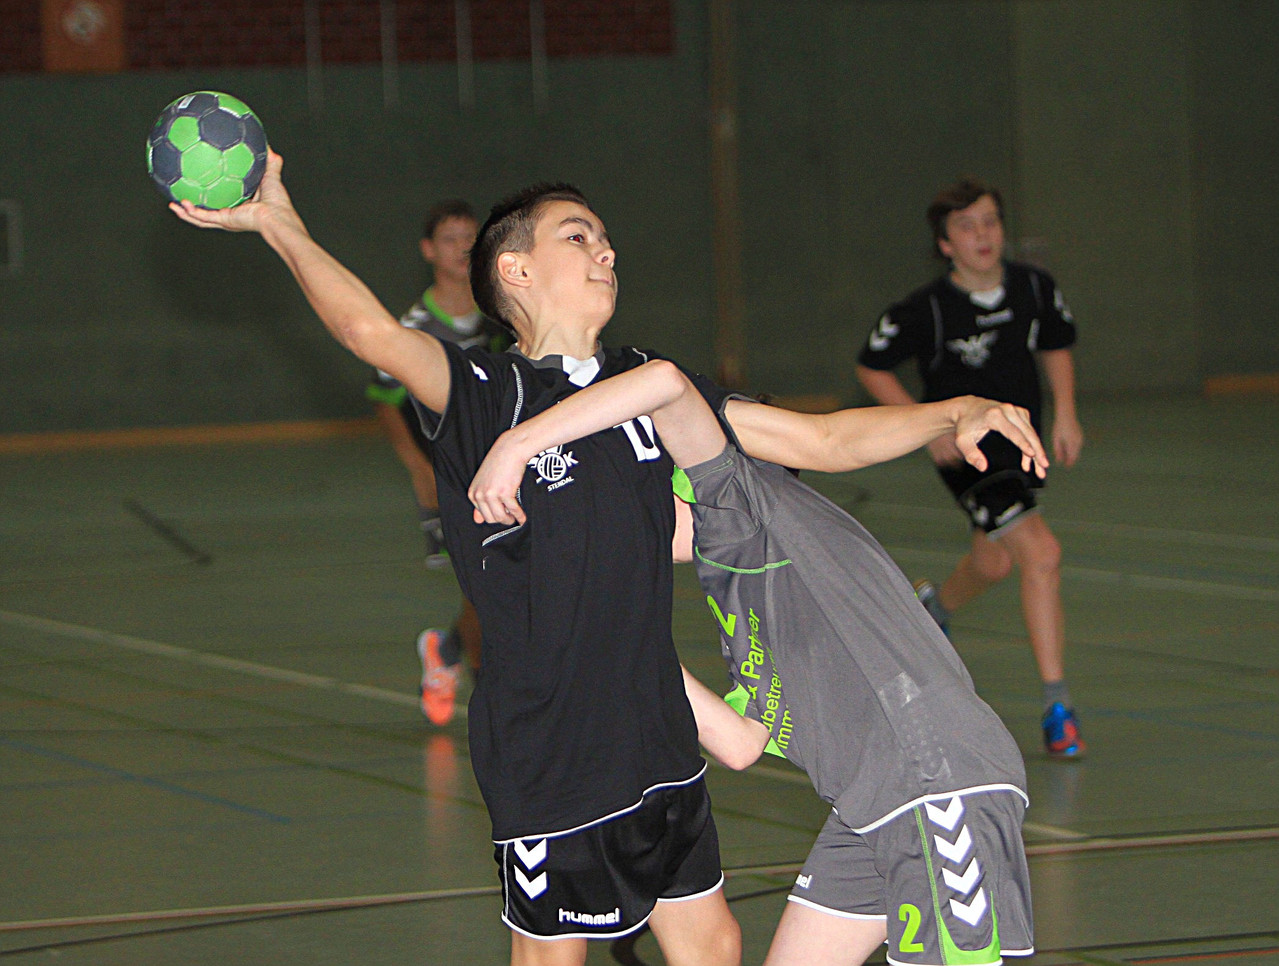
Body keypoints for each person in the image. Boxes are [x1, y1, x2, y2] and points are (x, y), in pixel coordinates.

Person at [170, 153, 1045, 966]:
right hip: (553, 748)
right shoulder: (486, 394)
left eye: (605, 238)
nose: (605, 250)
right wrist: (278, 221)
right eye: (576, 236)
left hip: (657, 736)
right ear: (514, 270)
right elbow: (366, 330)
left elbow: (821, 440)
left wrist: (953, 410)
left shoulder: (649, 383)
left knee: (714, 945)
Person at [467, 358, 1044, 966]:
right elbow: (741, 743)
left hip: (934, 782)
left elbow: (667, 386)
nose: (634, 515)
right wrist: (597, 629)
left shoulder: (740, 506)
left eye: (645, 492)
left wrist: (518, 443)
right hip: (868, 809)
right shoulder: (746, 592)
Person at [855, 177, 1086, 759]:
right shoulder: (926, 310)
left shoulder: (1033, 287)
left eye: (990, 222)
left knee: (996, 558)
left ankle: (935, 610)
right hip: (971, 455)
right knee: (1042, 553)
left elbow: (1055, 344)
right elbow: (872, 366)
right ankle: (1058, 709)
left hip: (1023, 442)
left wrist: (1066, 412)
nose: (982, 235)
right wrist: (924, 428)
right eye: (966, 226)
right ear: (945, 244)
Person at [365, 200, 508, 725]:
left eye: (471, 237)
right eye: (450, 239)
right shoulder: (416, 327)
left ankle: (446, 651)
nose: (463, 248)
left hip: (499, 464)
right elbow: (384, 402)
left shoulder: (502, 314)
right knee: (485, 583)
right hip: (449, 474)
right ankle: (484, 687)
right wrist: (417, 467)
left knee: (498, 579)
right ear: (428, 250)